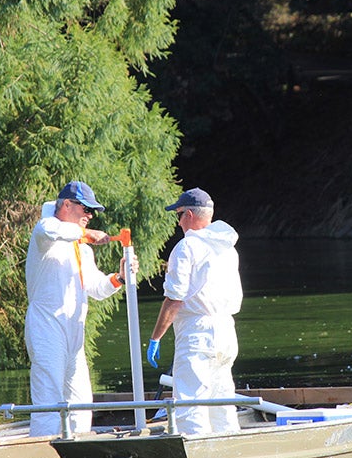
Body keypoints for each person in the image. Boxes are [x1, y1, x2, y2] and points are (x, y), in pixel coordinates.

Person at [24, 180, 138, 437]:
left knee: (81, 402)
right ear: (66, 204)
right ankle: (41, 452)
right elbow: (52, 230)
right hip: (46, 328)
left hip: (74, 332)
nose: (89, 215)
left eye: (92, 211)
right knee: (49, 400)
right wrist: (88, 234)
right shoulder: (45, 234)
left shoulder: (82, 251)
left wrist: (119, 277)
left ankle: (76, 452)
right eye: (85, 209)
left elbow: (97, 287)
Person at [147, 188, 243, 434]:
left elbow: (174, 299)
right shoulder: (227, 248)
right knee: (222, 402)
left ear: (189, 214)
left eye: (178, 215)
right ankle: (229, 451)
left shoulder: (187, 246)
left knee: (191, 404)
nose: (178, 222)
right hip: (226, 331)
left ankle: (196, 456)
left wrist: (155, 337)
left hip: (198, 332)